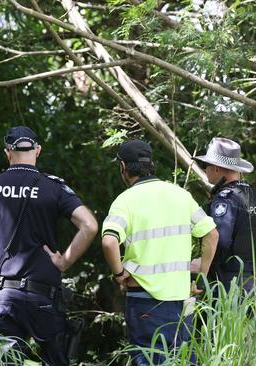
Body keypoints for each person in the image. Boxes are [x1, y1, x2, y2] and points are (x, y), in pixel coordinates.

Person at [0, 126, 98, 366]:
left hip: (6, 298)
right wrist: (65, 260)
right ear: (38, 150)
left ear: (7, 153)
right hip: (44, 296)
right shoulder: (53, 187)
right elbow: (90, 225)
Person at [101, 139, 219, 366]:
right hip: (182, 299)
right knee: (182, 360)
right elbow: (211, 235)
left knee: (148, 360)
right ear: (150, 164)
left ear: (123, 167)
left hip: (145, 299)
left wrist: (118, 274)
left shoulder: (125, 200)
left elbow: (108, 242)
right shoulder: (180, 195)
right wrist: (200, 277)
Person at [192, 137, 256, 294]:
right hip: (252, 288)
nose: (205, 170)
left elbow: (220, 241)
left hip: (225, 288)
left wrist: (204, 266)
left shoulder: (225, 200)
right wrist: (253, 268)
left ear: (216, 168)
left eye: (206, 165)